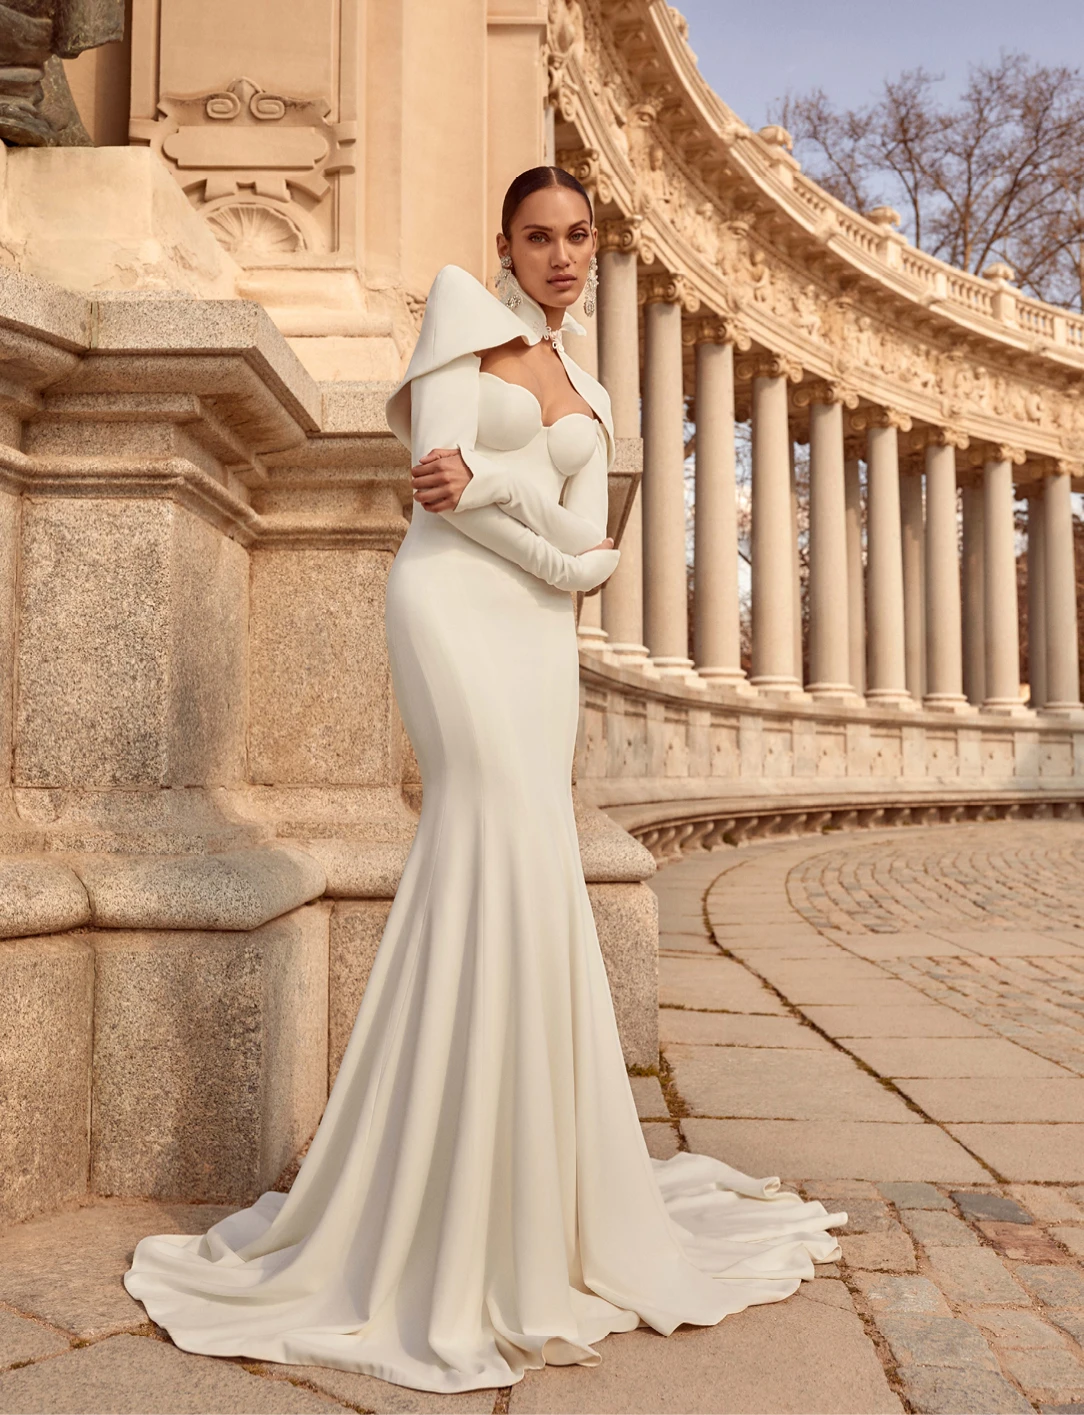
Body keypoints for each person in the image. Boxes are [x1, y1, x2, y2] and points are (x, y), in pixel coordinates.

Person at [121, 165, 845, 1396]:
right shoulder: (459, 315)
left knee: (530, 866)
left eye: (578, 236)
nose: (561, 255)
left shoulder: (594, 387)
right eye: (538, 236)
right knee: (481, 836)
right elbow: (447, 501)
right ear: (501, 243)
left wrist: (516, 497)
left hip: (536, 645)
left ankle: (525, 1184)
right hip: (452, 615)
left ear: (595, 244)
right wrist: (536, 521)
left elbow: (574, 554)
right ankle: (437, 1198)